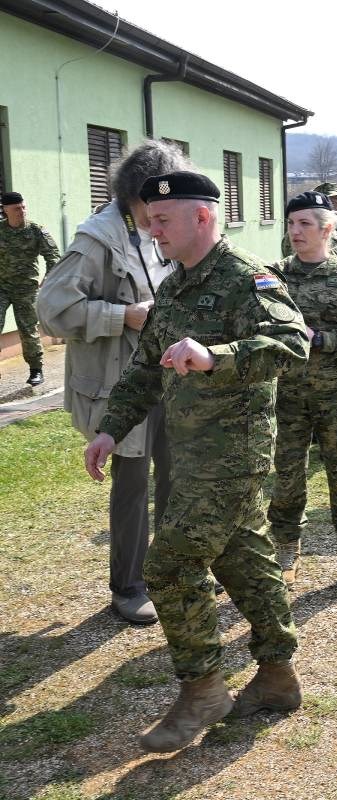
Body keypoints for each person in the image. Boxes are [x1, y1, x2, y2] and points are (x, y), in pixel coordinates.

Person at [83, 171, 308, 752]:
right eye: (148, 221)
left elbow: (292, 343)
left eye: (161, 221)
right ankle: (278, 677)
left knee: (169, 567)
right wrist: (110, 428)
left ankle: (204, 688)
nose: (151, 231)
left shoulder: (247, 278)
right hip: (191, 454)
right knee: (244, 561)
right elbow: (145, 368)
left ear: (201, 219)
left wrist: (217, 356)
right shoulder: (176, 287)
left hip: (234, 456)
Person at [37, 140, 188, 625]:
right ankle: (128, 586)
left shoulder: (157, 233)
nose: (162, 218)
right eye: (155, 208)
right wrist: (122, 316)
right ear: (132, 196)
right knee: (130, 486)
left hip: (166, 375)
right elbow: (51, 311)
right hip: (117, 385)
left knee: (174, 475)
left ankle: (169, 573)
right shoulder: (97, 238)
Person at [268, 192, 337, 593]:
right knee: (287, 477)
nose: (294, 231)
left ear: (326, 229)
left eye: (304, 224)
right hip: (287, 395)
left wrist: (320, 339)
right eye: (291, 223)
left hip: (335, 395)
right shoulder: (273, 275)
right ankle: (285, 551)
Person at [0, 191, 61, 386]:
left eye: (23, 207)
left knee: (28, 330)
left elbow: (53, 255)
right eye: (17, 209)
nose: (22, 211)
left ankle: (36, 370)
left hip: (26, 289)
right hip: (2, 287)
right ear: (5, 210)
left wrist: (48, 279)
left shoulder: (36, 230)